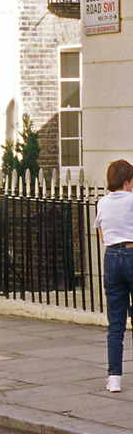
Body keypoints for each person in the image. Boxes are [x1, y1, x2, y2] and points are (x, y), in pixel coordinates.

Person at [94, 159, 133, 393]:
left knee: (115, 323)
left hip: (111, 257)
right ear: (127, 181)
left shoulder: (102, 202)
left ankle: (114, 378)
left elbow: (101, 235)